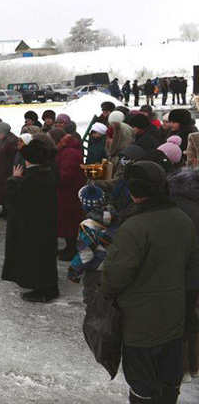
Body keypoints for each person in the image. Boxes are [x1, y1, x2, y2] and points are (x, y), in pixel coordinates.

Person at [102, 161, 198, 404]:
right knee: (169, 380)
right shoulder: (183, 219)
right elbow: (191, 264)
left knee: (143, 384)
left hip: (140, 323)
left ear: (135, 192)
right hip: (174, 315)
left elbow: (115, 277)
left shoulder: (134, 226)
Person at [1, 139, 59, 302]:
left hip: (32, 226)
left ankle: (43, 290)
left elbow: (13, 198)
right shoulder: (46, 173)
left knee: (35, 257)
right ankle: (47, 287)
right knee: (44, 256)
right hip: (44, 223)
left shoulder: (32, 178)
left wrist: (14, 179)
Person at [167, 168, 199, 383]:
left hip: (179, 270)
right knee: (191, 315)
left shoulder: (176, 205)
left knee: (176, 318)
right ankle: (194, 365)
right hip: (195, 272)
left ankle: (182, 368)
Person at [67, 185, 118, 304]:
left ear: (84, 205)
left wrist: (74, 272)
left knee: (92, 298)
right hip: (112, 263)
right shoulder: (113, 215)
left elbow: (86, 253)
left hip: (96, 268)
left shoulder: (88, 225)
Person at [56, 135, 85, 261]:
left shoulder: (69, 153)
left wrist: (55, 175)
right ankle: (69, 247)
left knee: (70, 222)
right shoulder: (70, 151)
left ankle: (72, 250)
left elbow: (67, 175)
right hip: (69, 192)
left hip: (70, 193)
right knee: (68, 221)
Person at [0, 122, 18, 219]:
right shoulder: (3, 140)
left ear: (4, 132)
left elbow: (14, 156)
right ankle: (4, 210)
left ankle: (9, 211)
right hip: (2, 168)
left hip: (8, 169)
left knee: (8, 190)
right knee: (2, 190)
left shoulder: (12, 141)